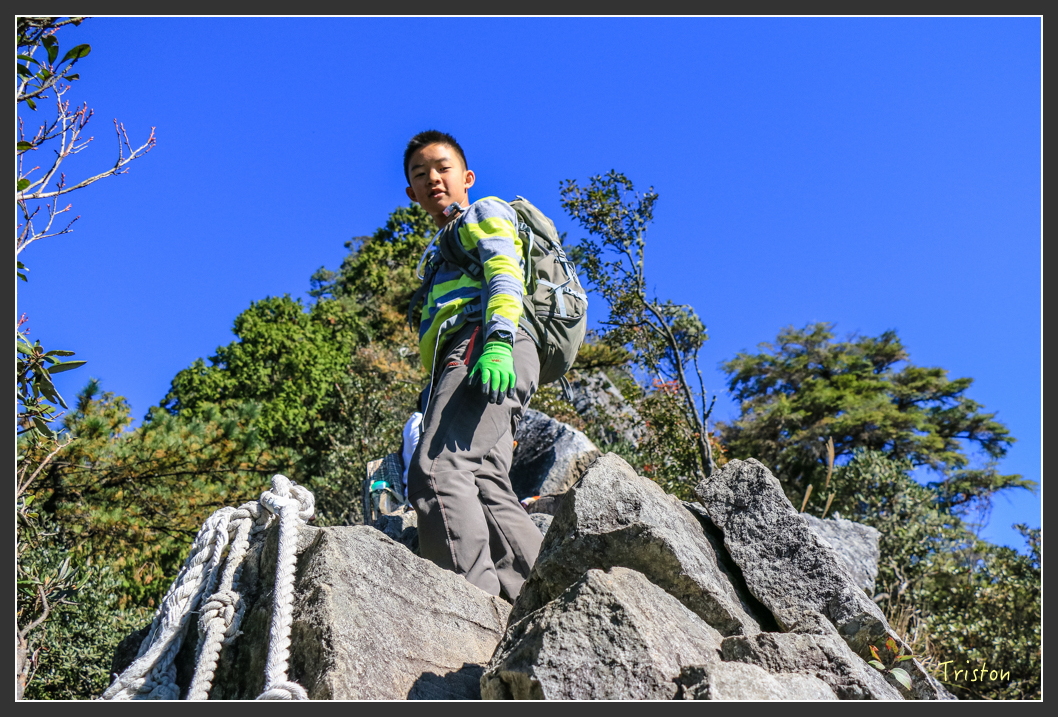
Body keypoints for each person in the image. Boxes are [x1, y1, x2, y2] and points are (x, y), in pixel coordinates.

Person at [401, 130, 544, 602]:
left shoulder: (483, 212)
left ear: (467, 177)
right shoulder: (440, 249)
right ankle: (544, 595)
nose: (432, 179)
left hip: (484, 344)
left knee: (438, 470)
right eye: (420, 175)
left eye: (442, 168)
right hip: (481, 353)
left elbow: (505, 269)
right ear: (411, 193)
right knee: (482, 480)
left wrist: (498, 341)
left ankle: (471, 615)